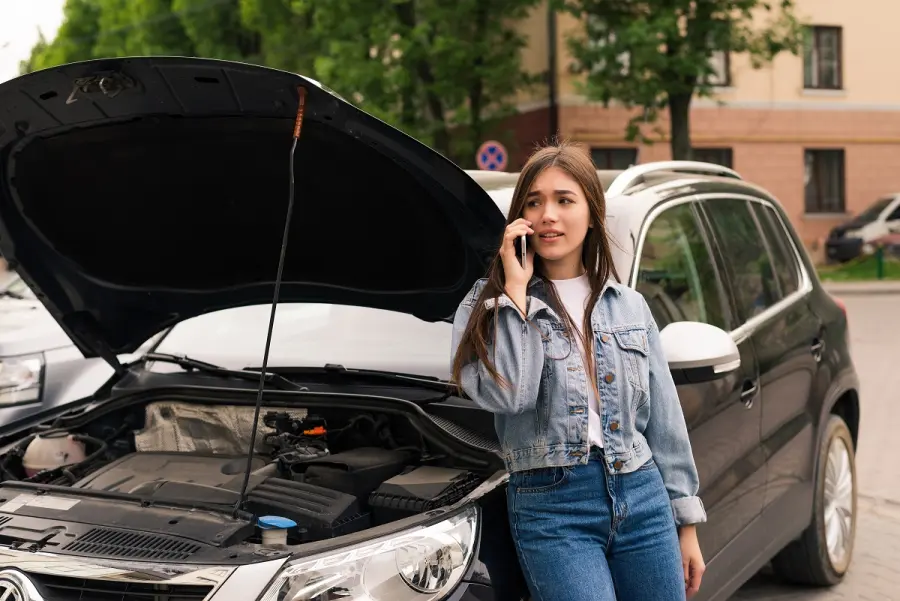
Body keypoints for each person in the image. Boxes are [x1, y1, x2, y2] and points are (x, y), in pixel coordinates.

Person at [450, 141, 706, 600]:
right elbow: (513, 395)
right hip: (552, 507)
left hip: (642, 495)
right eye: (534, 201)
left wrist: (686, 523)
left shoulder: (629, 306)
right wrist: (515, 292)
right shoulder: (487, 306)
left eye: (565, 200)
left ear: (592, 213)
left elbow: (665, 422)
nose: (548, 214)